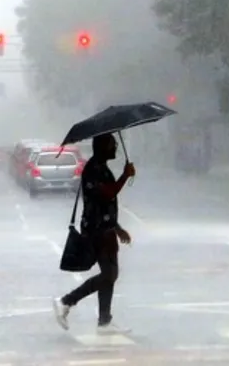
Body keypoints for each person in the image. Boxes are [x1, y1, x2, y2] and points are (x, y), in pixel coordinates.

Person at [53, 133, 135, 333]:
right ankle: (66, 301)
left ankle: (104, 320)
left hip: (106, 228)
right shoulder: (93, 170)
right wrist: (125, 175)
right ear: (102, 147)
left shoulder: (101, 168)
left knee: (110, 274)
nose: (115, 147)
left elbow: (105, 203)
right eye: (112, 144)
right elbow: (107, 193)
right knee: (109, 274)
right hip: (96, 230)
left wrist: (117, 228)